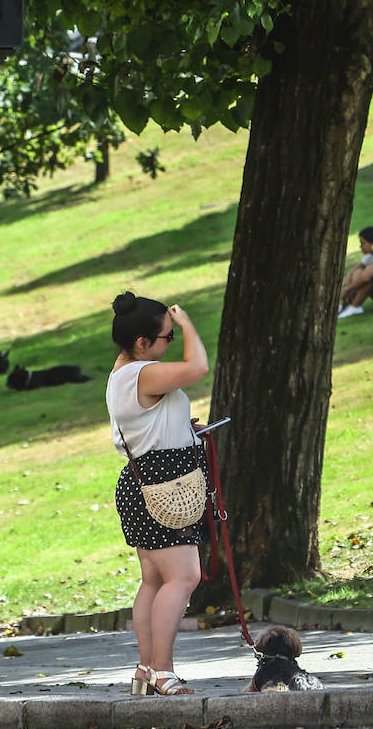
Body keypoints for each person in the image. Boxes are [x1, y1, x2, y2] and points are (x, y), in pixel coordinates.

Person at [107, 292, 209, 697]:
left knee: (153, 579)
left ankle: (147, 670)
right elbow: (198, 367)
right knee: (183, 576)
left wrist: (183, 427)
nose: (170, 344)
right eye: (166, 338)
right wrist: (187, 323)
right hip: (164, 485)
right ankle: (163, 671)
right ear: (141, 343)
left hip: (143, 481)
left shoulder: (124, 372)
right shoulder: (143, 374)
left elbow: (149, 422)